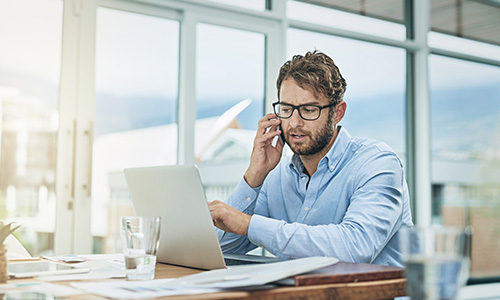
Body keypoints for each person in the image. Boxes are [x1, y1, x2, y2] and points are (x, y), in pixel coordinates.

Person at [208, 50, 413, 267]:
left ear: (338, 112)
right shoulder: (275, 178)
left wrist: (249, 224)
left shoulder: (377, 164)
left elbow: (354, 249)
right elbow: (220, 247)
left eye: (308, 110)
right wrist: (254, 175)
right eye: (286, 109)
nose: (295, 122)